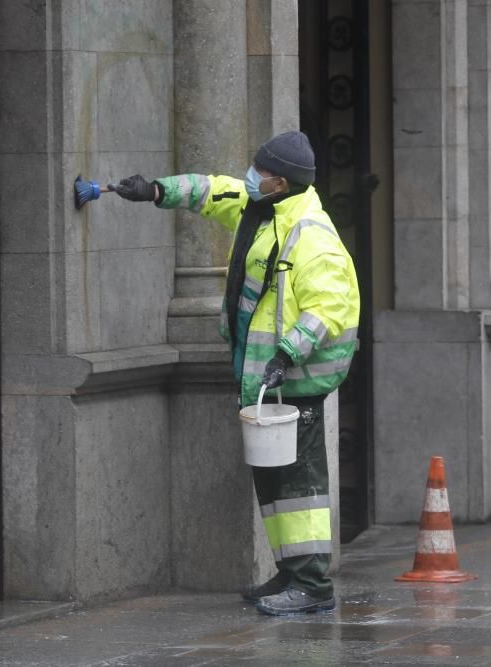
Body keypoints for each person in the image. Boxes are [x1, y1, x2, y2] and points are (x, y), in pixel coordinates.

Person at [115, 130, 360, 616]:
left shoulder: (309, 234)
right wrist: (155, 191)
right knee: (274, 484)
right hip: (268, 381)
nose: (252, 175)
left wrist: (287, 353)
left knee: (299, 487)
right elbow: (210, 191)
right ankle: (290, 573)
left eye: (261, 170)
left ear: (281, 181)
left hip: (296, 381)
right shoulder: (262, 210)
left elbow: (330, 304)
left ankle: (313, 585)